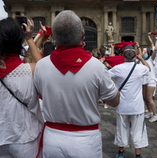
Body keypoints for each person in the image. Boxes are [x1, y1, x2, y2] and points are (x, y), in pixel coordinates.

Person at [34, 10, 120, 158]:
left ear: (53, 36)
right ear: (82, 35)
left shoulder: (40, 66)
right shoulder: (97, 67)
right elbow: (114, 101)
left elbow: (41, 95)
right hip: (85, 141)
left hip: (52, 138)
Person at [0, 17, 44, 157]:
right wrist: (30, 39)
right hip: (24, 136)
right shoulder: (31, 70)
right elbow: (45, 67)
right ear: (20, 39)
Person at [109, 45, 150, 158]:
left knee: (122, 128)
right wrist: (141, 59)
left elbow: (105, 76)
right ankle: (137, 154)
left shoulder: (118, 68)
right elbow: (148, 68)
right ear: (134, 56)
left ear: (123, 56)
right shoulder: (140, 68)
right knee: (138, 130)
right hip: (137, 105)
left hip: (122, 104)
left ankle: (121, 152)